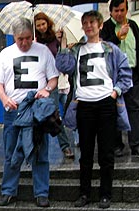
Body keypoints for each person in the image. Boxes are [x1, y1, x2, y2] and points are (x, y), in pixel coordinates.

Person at [56, 10, 132, 209]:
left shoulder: (111, 49)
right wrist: (62, 44)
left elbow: (126, 76)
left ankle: (105, 194)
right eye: (85, 23)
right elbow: (62, 66)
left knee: (107, 152)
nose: (88, 26)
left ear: (99, 25)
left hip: (106, 104)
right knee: (86, 153)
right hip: (84, 106)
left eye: (92, 22)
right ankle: (84, 193)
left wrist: (114, 92)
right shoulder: (76, 50)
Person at [0, 18, 59, 208]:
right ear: (14, 37)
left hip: (36, 110)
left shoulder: (43, 51)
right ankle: (8, 191)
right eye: (20, 39)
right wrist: (4, 99)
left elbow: (53, 78)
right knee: (11, 151)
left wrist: (47, 89)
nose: (25, 43)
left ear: (33, 35)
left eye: (28, 38)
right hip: (14, 109)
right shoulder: (6, 54)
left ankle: (41, 192)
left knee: (40, 151)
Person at [100, 0, 139, 157]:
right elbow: (103, 47)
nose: (119, 14)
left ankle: (135, 144)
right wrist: (118, 36)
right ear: (110, 11)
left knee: (134, 109)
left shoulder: (134, 26)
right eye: (116, 10)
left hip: (132, 72)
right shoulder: (106, 27)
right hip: (114, 75)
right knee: (114, 109)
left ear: (127, 10)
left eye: (122, 10)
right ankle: (117, 145)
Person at [34, 12, 74, 159]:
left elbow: (62, 58)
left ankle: (65, 146)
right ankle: (36, 146)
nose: (41, 27)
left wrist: (61, 41)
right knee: (36, 114)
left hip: (52, 80)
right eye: (38, 25)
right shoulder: (34, 40)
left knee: (55, 113)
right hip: (37, 80)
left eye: (43, 24)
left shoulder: (54, 38)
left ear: (48, 23)